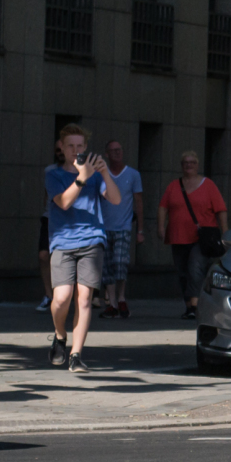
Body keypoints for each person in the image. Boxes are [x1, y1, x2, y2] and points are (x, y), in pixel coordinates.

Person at [47, 123, 122, 373]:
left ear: (86, 147)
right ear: (62, 147)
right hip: (63, 241)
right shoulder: (53, 174)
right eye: (70, 146)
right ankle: (60, 336)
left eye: (80, 146)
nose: (75, 150)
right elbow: (64, 203)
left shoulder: (95, 175)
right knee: (61, 299)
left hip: (92, 240)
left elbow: (116, 199)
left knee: (85, 298)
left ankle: (76, 355)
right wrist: (82, 177)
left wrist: (105, 173)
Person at [158, 151, 227, 319]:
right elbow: (163, 207)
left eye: (192, 162)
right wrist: (160, 226)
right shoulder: (174, 185)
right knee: (182, 272)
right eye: (185, 163)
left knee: (195, 268)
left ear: (197, 165)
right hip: (178, 236)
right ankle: (189, 305)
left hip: (202, 238)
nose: (189, 165)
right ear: (182, 166)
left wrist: (225, 233)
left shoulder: (208, 185)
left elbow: (221, 210)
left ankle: (195, 305)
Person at [97, 140, 144, 319]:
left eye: (119, 150)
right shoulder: (101, 174)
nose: (117, 153)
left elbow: (138, 202)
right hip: (103, 227)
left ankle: (121, 296)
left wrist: (140, 230)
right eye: (113, 151)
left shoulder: (132, 174)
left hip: (123, 226)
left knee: (120, 262)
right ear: (107, 154)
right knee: (106, 266)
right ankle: (113, 303)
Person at [36, 140, 64, 312]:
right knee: (43, 255)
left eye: (63, 149)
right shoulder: (50, 171)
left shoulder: (79, 172)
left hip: (68, 221)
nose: (60, 152)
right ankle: (49, 295)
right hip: (50, 218)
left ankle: (64, 296)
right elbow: (46, 195)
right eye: (57, 150)